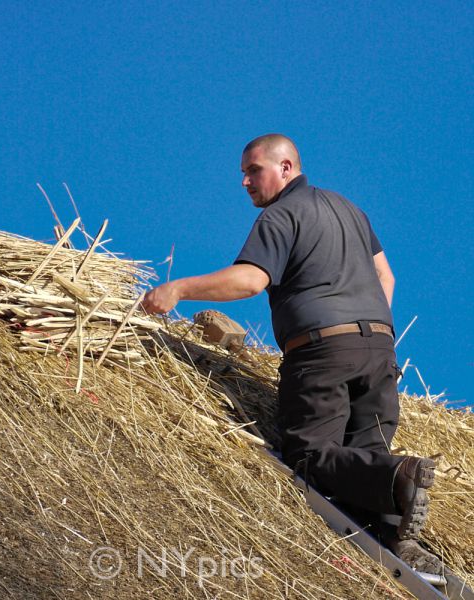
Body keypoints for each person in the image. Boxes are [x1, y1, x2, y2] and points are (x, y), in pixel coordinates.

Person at [141, 134, 441, 573]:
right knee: (367, 461)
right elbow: (386, 276)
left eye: (253, 170)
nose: (245, 181)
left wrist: (178, 288)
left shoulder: (283, 214)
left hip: (323, 350)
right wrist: (368, 329)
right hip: (379, 349)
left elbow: (250, 281)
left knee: (308, 454)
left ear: (285, 167)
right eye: (243, 173)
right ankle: (405, 544)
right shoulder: (349, 209)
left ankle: (401, 477)